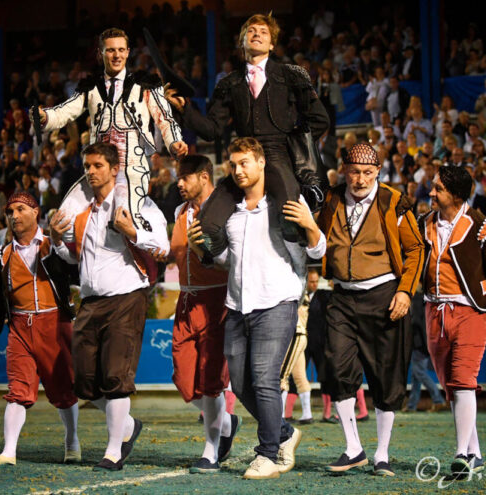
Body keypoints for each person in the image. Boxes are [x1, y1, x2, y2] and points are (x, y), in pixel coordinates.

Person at [187, 137, 326, 479]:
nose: (238, 170)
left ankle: (267, 453)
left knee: (264, 380)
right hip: (237, 305)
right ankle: (283, 432)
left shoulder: (285, 206)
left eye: (244, 162)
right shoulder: (229, 215)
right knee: (240, 382)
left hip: (277, 302)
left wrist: (310, 226)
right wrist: (202, 249)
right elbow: (224, 261)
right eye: (233, 165)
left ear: (262, 163)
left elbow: (318, 253)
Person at [166, 13, 329, 258]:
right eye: (251, 31)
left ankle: (299, 265)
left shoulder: (291, 75)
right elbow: (211, 130)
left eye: (264, 32)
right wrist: (184, 108)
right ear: (242, 41)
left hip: (278, 154)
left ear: (272, 44)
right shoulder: (229, 83)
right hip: (242, 158)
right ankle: (219, 260)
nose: (257, 34)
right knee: (206, 226)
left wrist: (293, 147)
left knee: (291, 220)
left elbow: (320, 120)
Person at [50, 142, 170, 471]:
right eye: (87, 166)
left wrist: (133, 231)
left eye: (97, 165)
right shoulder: (81, 211)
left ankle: (114, 451)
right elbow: (73, 257)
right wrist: (57, 240)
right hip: (90, 300)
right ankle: (128, 427)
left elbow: (162, 244)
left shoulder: (136, 202)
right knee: (84, 382)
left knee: (116, 377)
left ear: (115, 169)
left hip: (127, 296)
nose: (90, 172)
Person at [316, 143, 424, 476]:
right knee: (335, 366)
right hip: (342, 297)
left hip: (384, 295)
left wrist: (406, 291)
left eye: (367, 172)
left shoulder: (394, 201)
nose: (360, 179)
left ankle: (382, 454)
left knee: (386, 375)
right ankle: (353, 448)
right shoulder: (331, 198)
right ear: (343, 170)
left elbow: (416, 249)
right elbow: (317, 239)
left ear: (378, 171)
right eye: (354, 171)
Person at [35, 28, 187, 232]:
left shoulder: (145, 84)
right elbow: (65, 111)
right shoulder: (90, 86)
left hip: (131, 165)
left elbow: (165, 118)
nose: (116, 55)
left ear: (128, 52)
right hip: (99, 165)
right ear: (100, 53)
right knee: (63, 221)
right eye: (110, 50)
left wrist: (174, 141)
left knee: (122, 219)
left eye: (121, 50)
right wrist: (46, 116)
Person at [420, 165, 486, 477]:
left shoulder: (480, 224)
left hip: (471, 311)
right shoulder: (425, 223)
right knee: (452, 387)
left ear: (456, 195)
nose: (431, 192)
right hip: (434, 311)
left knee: (462, 381)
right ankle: (474, 452)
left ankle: (461, 454)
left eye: (438, 189)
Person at [0, 192, 79, 466]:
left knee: (64, 391)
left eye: (21, 209)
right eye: (10, 211)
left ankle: (72, 441)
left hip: (54, 325)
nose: (14, 216)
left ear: (36, 212)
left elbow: (71, 270)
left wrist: (57, 242)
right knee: (18, 390)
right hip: (20, 328)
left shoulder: (52, 245)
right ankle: (8, 451)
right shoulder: (4, 255)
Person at [167, 155, 240, 473]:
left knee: (211, 382)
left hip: (217, 300)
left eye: (185, 177)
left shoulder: (226, 212)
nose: (178, 183)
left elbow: (234, 259)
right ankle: (226, 421)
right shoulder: (179, 212)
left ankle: (210, 451)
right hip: (185, 300)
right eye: (177, 177)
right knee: (184, 382)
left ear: (204, 176)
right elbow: (176, 254)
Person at [404, 285, 448, 412]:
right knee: (416, 374)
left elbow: (416, 322)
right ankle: (412, 405)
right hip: (425, 340)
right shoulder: (426, 299)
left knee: (419, 373)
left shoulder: (417, 299)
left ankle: (438, 400)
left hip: (419, 342)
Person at [279, 272, 314, 425]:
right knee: (300, 376)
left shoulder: (292, 289)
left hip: (294, 333)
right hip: (300, 334)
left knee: (281, 375)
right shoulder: (302, 291)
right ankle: (307, 414)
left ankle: (278, 416)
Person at [302, 268, 337, 423]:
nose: (315, 284)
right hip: (302, 343)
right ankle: (288, 413)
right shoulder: (299, 296)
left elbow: (335, 296)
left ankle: (327, 414)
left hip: (320, 342)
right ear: (306, 282)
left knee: (324, 377)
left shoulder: (323, 295)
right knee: (296, 377)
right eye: (312, 281)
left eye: (316, 281)